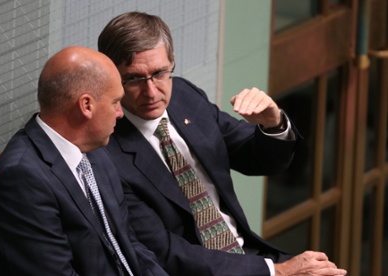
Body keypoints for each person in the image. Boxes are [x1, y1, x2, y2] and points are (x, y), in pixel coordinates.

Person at [98, 11, 347, 276]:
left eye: (159, 73)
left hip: (248, 255)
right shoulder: (106, 151)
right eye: (135, 78)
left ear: (172, 62)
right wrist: (276, 272)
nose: (151, 91)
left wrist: (273, 123)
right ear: (113, 78)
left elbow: (258, 158)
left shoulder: (184, 96)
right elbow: (165, 253)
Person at [0, 46, 168, 276]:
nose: (120, 113)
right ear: (86, 105)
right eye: (115, 102)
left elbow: (130, 245)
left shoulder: (95, 151)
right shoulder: (21, 181)